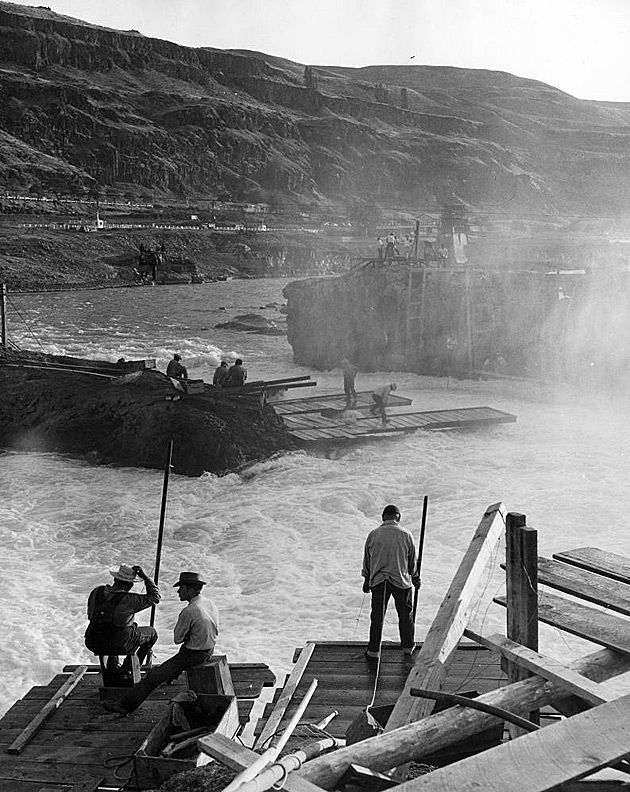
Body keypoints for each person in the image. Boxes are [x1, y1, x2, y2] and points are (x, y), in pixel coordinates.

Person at [103, 571, 219, 715]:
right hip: (209, 649)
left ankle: (125, 706)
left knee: (153, 677)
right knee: (177, 660)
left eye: (181, 588)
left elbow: (177, 639)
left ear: (190, 589)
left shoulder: (189, 611)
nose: (178, 591)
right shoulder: (209, 603)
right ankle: (171, 675)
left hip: (193, 655)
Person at [362, 505, 420, 658]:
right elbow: (412, 560)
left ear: (383, 517)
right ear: (398, 517)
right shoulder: (406, 535)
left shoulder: (373, 535)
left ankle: (374, 650)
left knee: (377, 616)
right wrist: (415, 577)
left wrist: (366, 579)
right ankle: (407, 647)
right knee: (405, 615)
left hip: (379, 581)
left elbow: (367, 560)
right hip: (401, 581)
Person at [84, 564, 160, 676]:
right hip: (118, 644)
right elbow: (155, 597)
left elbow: (91, 616)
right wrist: (146, 578)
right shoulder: (129, 599)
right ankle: (127, 668)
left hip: (93, 641)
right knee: (151, 633)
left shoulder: (97, 592)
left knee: (110, 629)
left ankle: (112, 667)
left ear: (115, 579)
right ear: (130, 585)